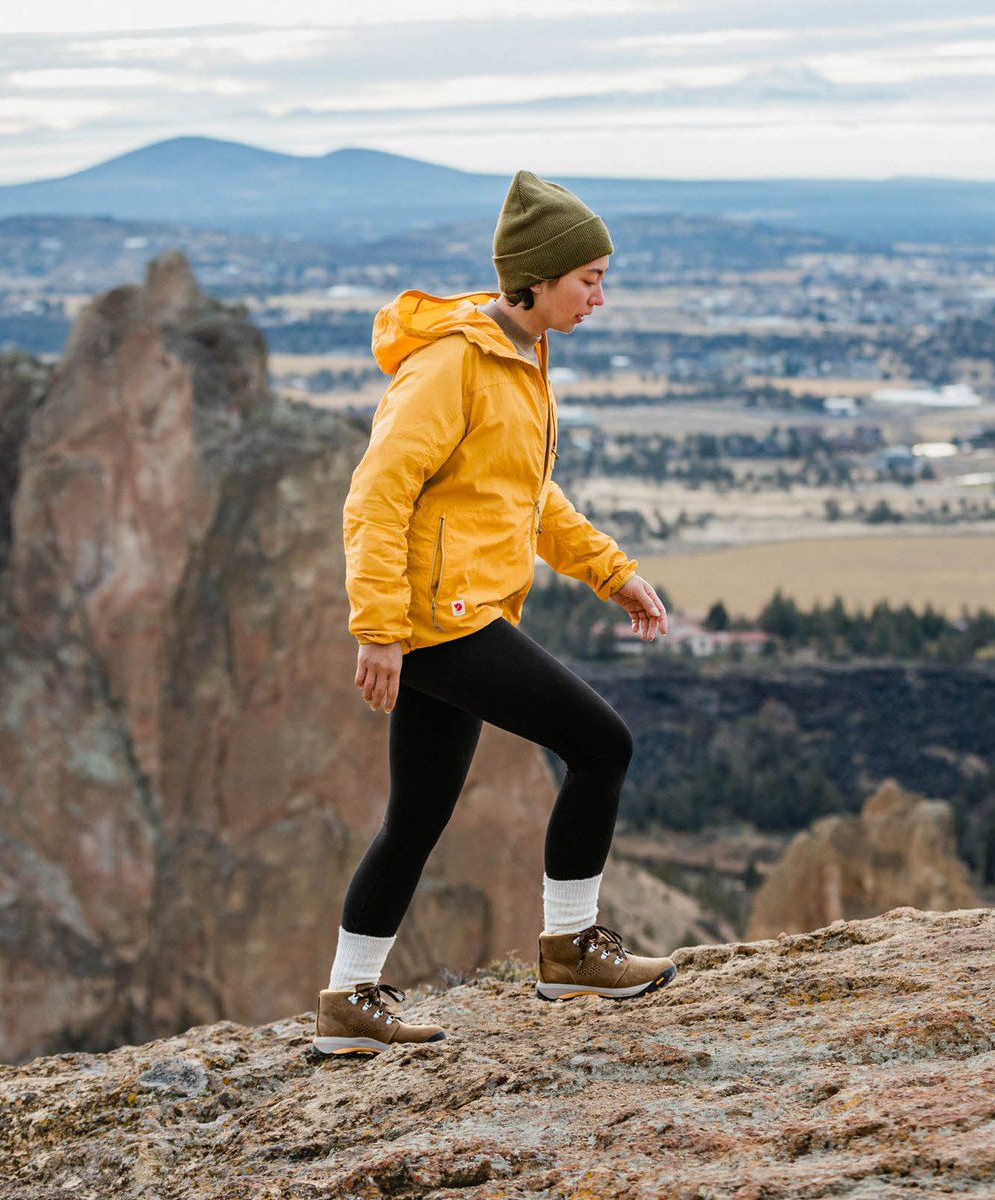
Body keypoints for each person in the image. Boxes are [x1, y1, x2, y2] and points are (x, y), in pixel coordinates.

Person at [313, 170, 677, 1056]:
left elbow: (528, 496)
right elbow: (376, 496)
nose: (599, 296)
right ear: (539, 278)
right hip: (446, 619)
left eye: (602, 279)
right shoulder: (453, 365)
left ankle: (347, 1002)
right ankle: (569, 947)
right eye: (589, 278)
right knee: (602, 744)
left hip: (458, 613)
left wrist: (611, 572)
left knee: (418, 816)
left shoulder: (519, 358)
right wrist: (380, 630)